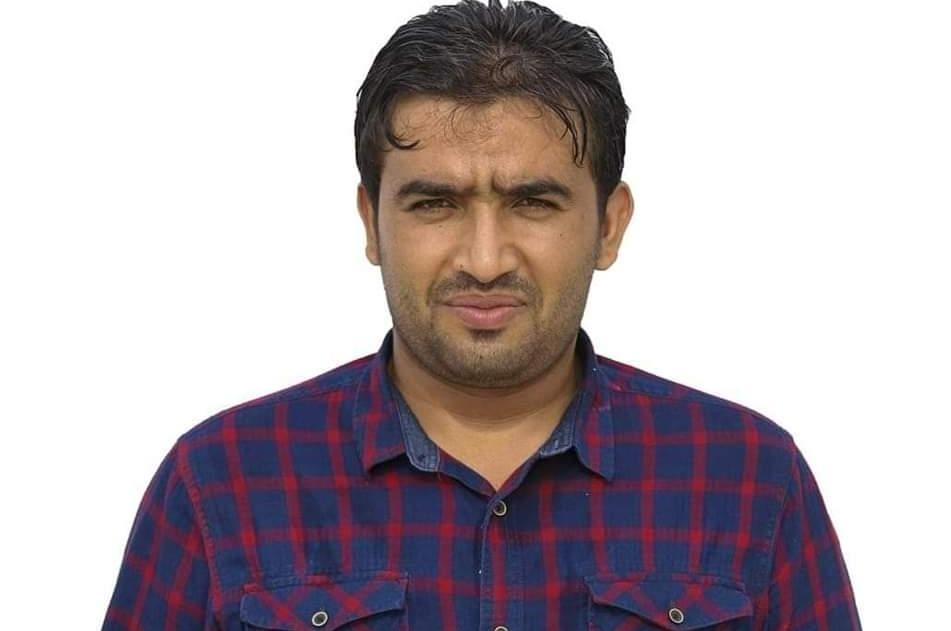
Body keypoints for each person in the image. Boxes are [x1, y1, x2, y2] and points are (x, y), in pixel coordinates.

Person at [102, 1, 862, 629]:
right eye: (436, 203)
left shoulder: (751, 477)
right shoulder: (221, 482)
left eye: (533, 202)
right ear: (371, 222)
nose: (486, 257)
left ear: (608, 225)